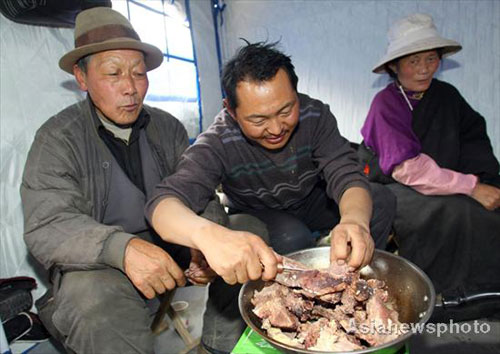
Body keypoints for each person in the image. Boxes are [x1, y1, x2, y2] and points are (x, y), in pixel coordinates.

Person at [146, 42, 396, 353]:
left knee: (380, 200)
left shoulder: (316, 115)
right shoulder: (219, 140)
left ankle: (351, 289)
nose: (276, 128)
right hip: (260, 213)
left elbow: (346, 173)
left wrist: (355, 221)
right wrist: (208, 237)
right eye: (258, 120)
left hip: (313, 201)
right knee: (288, 235)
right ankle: (261, 327)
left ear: (296, 93)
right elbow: (162, 204)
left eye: (286, 110)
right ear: (231, 109)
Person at [20, 7, 224, 353]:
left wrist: (204, 243)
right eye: (113, 73)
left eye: (139, 73)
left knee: (247, 232)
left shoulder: (167, 127)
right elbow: (47, 224)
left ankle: (220, 344)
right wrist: (123, 249)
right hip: (101, 270)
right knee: (92, 300)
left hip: (170, 260)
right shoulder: (57, 138)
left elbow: (201, 193)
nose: (130, 88)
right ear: (81, 78)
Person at [360, 13, 500, 315]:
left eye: (431, 59)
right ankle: (435, 298)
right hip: (395, 183)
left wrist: (484, 179)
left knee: (488, 212)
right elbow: (406, 167)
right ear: (394, 66)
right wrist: (471, 187)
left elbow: (473, 138)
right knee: (449, 211)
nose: (424, 69)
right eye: (413, 61)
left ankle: (485, 297)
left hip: (448, 180)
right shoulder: (387, 104)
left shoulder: (447, 96)